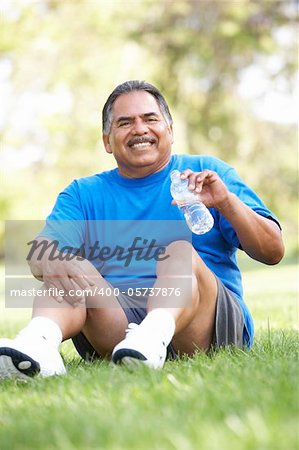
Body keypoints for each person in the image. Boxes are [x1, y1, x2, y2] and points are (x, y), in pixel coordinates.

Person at [0, 80, 284, 380]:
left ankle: (153, 334)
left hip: (204, 326)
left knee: (178, 252)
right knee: (63, 264)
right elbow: (39, 255)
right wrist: (56, 260)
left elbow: (273, 251)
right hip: (120, 331)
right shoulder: (83, 193)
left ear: (170, 131)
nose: (139, 129)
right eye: (125, 122)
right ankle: (38, 346)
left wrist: (226, 203)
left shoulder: (207, 172)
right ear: (108, 141)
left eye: (150, 119)